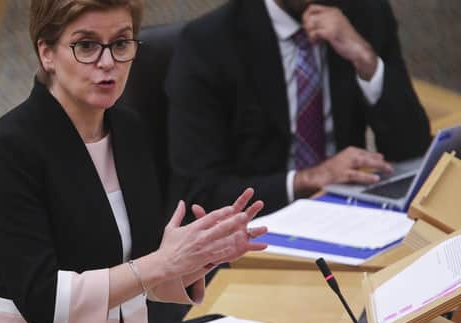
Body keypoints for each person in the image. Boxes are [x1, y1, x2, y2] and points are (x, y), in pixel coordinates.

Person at [0, 1, 268, 323]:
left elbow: (137, 270)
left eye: (121, 43)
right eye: (86, 46)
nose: (107, 63)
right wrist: (158, 264)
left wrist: (195, 256)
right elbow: (43, 300)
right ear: (46, 53)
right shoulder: (10, 149)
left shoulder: (128, 131)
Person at [166, 0, 431, 215]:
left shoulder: (365, 13)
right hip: (255, 225)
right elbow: (200, 192)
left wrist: (365, 59)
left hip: (347, 213)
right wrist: (308, 179)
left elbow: (413, 148)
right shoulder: (209, 42)